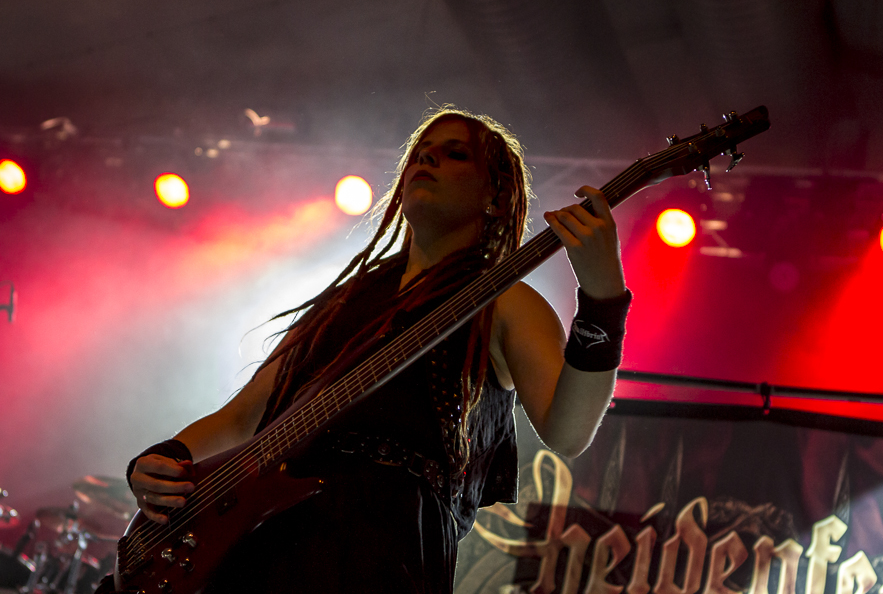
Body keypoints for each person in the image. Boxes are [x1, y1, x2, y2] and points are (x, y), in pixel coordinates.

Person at [124, 107, 631, 593]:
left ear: (495, 196)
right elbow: (244, 417)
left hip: (384, 548)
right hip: (269, 538)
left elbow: (567, 431)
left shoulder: (506, 301)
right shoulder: (346, 299)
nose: (425, 160)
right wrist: (172, 458)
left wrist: (603, 300)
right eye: (420, 153)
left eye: (454, 154)